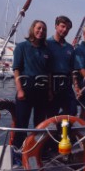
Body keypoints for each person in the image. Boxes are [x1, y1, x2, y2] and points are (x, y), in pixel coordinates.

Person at [12, 20, 51, 149]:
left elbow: (48, 72)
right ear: (32, 29)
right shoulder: (21, 47)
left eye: (43, 29)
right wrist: (19, 90)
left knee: (40, 124)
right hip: (26, 90)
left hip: (42, 92)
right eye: (38, 28)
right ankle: (18, 152)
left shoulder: (46, 50)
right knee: (22, 124)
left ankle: (36, 150)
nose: (41, 31)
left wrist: (50, 91)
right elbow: (16, 69)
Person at [47, 16, 78, 117]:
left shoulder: (70, 48)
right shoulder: (47, 44)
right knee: (51, 114)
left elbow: (72, 69)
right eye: (63, 26)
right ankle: (54, 130)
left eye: (68, 28)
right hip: (51, 83)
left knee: (73, 110)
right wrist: (49, 89)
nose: (65, 30)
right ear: (56, 26)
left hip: (66, 84)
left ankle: (61, 129)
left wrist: (76, 86)